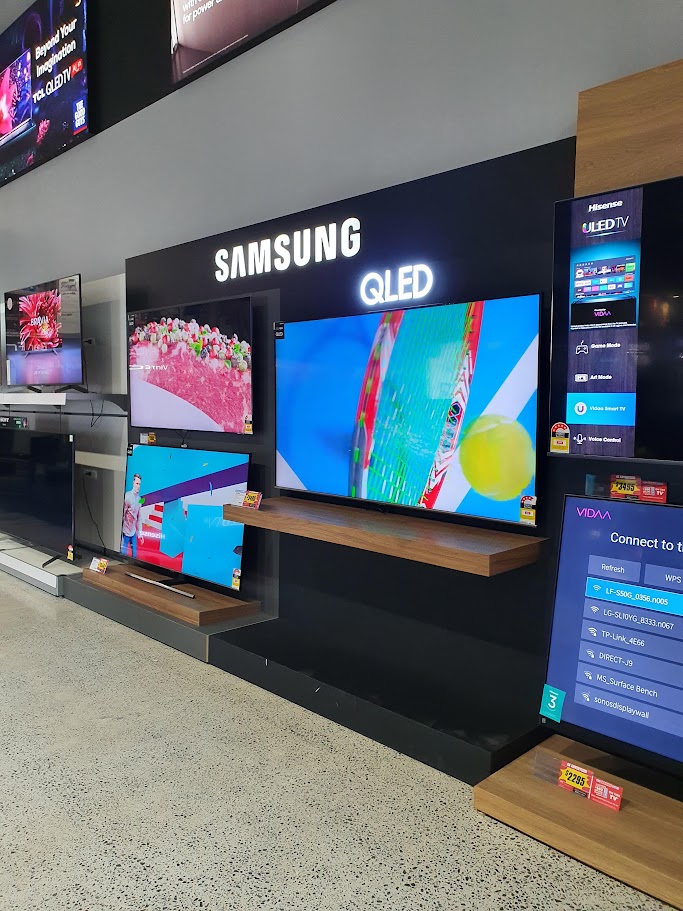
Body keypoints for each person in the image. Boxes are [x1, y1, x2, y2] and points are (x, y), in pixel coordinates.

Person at [121, 473, 144, 558]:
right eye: (137, 483)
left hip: (133, 532)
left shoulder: (140, 499)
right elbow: (122, 514)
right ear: (133, 483)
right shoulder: (127, 496)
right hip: (125, 531)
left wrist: (140, 534)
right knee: (123, 556)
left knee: (135, 556)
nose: (138, 486)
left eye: (139, 484)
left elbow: (139, 517)